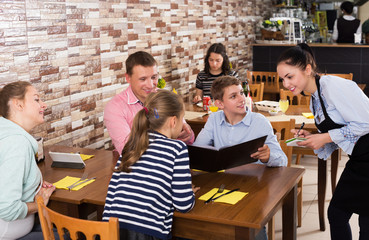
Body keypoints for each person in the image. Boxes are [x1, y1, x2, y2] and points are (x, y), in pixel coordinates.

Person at [276, 43, 369, 240]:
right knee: (338, 214)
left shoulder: (332, 86)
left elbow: (366, 122)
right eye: (282, 79)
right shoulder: (314, 98)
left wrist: (324, 137)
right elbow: (342, 134)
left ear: (307, 69)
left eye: (289, 77)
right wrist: (312, 139)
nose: (285, 84)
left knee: (356, 219)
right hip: (360, 158)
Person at [194, 76, 287, 240]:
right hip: (222, 184)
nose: (241, 99)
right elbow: (197, 151)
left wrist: (268, 156)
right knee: (201, 218)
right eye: (233, 96)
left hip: (254, 187)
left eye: (241, 93)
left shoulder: (259, 122)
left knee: (250, 224)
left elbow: (283, 160)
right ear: (219, 104)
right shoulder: (214, 120)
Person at [103, 90, 199, 240]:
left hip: (110, 231)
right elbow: (184, 205)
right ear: (173, 121)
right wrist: (190, 194)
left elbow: (112, 190)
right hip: (147, 234)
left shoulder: (131, 145)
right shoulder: (177, 149)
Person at [104, 51, 195, 154]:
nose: (150, 85)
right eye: (143, 79)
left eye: (154, 77)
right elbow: (128, 149)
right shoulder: (115, 107)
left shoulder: (164, 98)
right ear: (128, 78)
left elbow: (189, 139)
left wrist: (188, 134)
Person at [0, 81, 56, 239]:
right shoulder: (17, 144)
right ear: (18, 104)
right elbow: (7, 209)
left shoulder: (6, 134)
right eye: (37, 99)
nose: (43, 105)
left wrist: (34, 183)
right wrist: (40, 203)